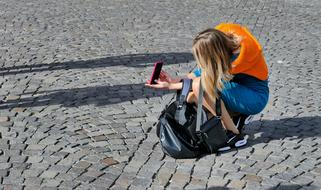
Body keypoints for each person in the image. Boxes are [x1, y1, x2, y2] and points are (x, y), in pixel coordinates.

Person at [145, 23, 269, 150]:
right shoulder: (223, 41)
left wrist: (171, 86)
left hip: (255, 97)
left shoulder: (236, 60)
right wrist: (173, 80)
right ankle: (235, 114)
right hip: (238, 88)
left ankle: (233, 134)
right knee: (192, 96)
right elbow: (201, 72)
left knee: (200, 89)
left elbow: (202, 82)